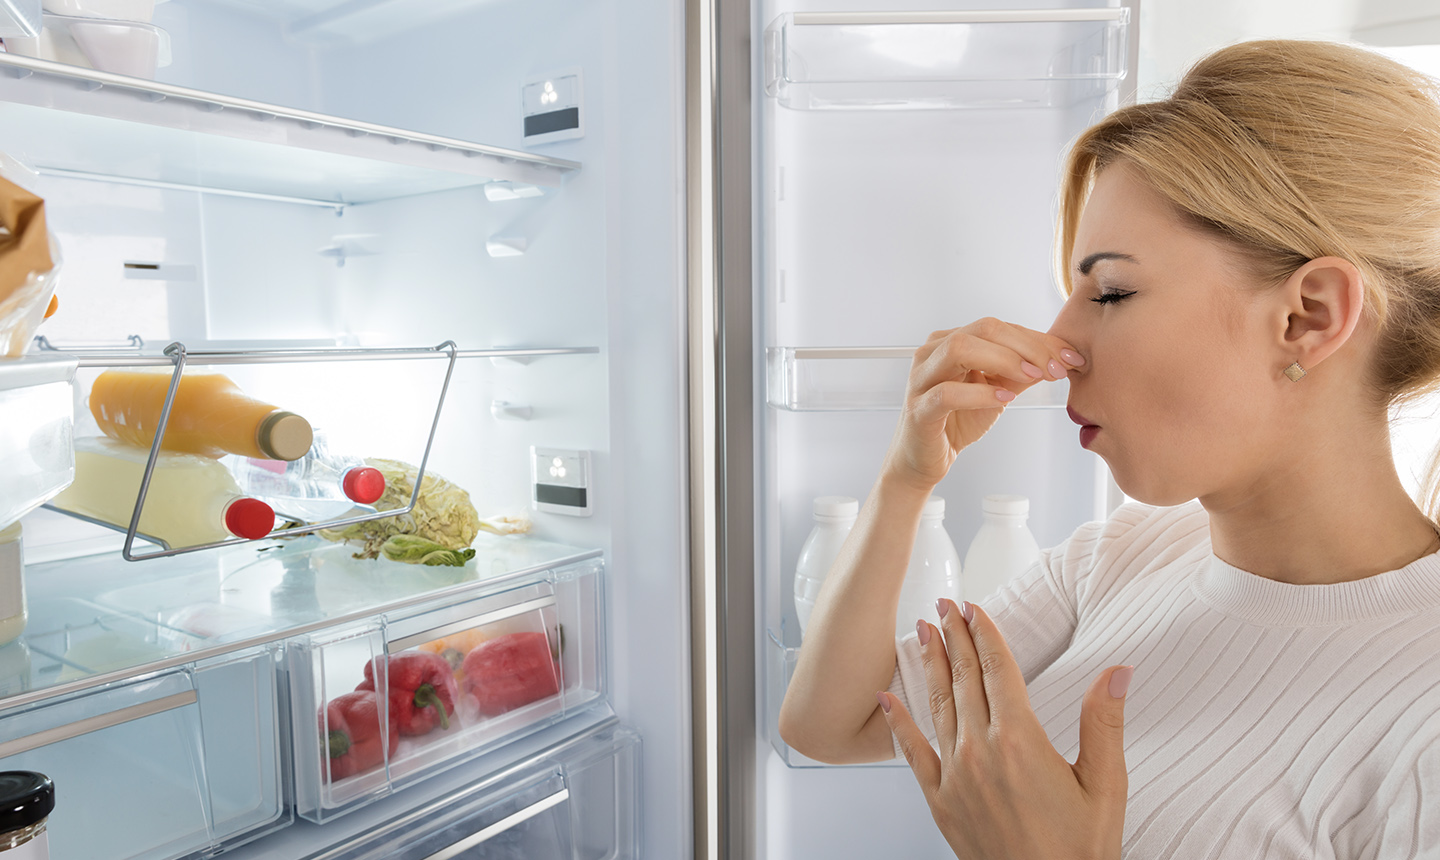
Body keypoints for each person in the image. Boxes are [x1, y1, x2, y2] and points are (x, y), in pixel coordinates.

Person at [778, 39, 1440, 859]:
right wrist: (907, 477)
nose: (1059, 341)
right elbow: (828, 725)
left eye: (1113, 291)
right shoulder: (1128, 556)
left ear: (1307, 315)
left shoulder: (1425, 722)